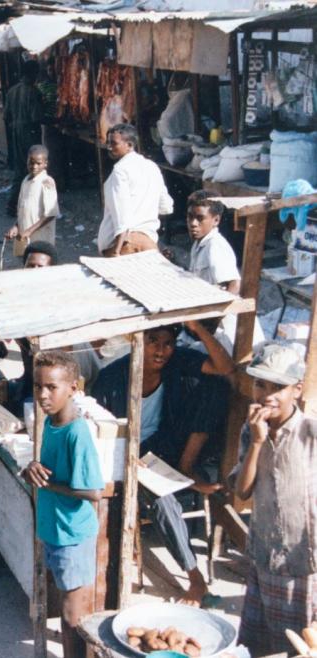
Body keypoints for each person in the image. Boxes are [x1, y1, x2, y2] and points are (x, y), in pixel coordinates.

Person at [93, 323, 234, 605]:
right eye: (152, 340)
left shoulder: (177, 360)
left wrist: (197, 329)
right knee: (163, 497)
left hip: (165, 442)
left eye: (167, 343)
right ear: (137, 341)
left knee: (216, 388)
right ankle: (195, 579)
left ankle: (187, 466)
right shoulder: (112, 377)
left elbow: (225, 367)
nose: (160, 350)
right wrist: (127, 458)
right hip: (124, 450)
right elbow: (97, 430)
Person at [231, 342, 317, 654]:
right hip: (264, 553)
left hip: (303, 561)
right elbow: (242, 491)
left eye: (278, 387)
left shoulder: (310, 433)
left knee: (299, 645)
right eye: (260, 384)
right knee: (259, 644)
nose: (267, 395)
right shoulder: (251, 430)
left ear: (296, 390)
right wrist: (256, 442)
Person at [22, 351, 104, 658]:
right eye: (38, 386)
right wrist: (32, 468)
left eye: (52, 387)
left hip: (72, 535)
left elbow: (93, 491)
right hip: (55, 529)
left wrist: (46, 483)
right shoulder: (51, 424)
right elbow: (45, 470)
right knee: (68, 610)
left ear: (73, 387)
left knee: (72, 617)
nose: (43, 395)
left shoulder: (76, 432)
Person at [98, 123, 173, 256]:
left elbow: (120, 215)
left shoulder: (120, 171)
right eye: (108, 142)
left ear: (130, 145)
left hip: (125, 243)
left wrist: (117, 251)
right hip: (148, 242)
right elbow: (166, 207)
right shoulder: (152, 167)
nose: (109, 147)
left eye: (114, 143)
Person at [4, 61, 44, 214]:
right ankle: (26, 205)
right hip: (29, 132)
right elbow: (36, 117)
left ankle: (13, 204)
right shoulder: (33, 92)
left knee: (21, 168)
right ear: (33, 74)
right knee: (34, 167)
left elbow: (6, 116)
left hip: (15, 132)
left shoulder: (11, 91)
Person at [186, 191, 240, 294]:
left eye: (200, 218)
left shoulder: (215, 245)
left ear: (216, 220)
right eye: (190, 217)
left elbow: (234, 283)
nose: (193, 223)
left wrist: (222, 310)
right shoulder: (199, 242)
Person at [5, 144, 59, 247]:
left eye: (38, 163)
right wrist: (16, 226)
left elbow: (51, 214)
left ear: (45, 164)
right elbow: (23, 210)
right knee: (25, 261)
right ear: (27, 161)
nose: (34, 167)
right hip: (24, 237)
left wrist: (29, 231)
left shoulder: (47, 182)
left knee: (39, 261)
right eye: (31, 163)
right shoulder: (26, 180)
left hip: (40, 238)